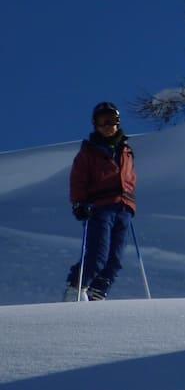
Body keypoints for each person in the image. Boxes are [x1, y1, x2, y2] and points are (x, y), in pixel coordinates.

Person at [63, 102, 137, 301]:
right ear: (95, 124)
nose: (106, 125)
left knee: (115, 259)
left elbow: (130, 177)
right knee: (98, 255)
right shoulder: (89, 152)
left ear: (117, 122)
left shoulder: (126, 150)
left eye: (110, 121)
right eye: (101, 121)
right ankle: (76, 288)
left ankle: (97, 293)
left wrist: (130, 202)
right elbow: (78, 179)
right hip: (100, 206)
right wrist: (79, 203)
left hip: (123, 207)